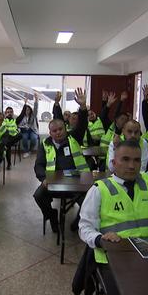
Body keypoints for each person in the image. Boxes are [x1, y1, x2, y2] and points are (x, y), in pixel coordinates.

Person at [78, 86, 148, 295]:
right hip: (115, 259)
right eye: (125, 160)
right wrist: (99, 238)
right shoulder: (100, 190)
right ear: (113, 162)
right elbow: (85, 227)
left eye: (136, 160)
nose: (131, 165)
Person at [34, 88, 88, 232]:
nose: (58, 132)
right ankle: (52, 216)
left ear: (65, 128)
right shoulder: (45, 144)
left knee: (89, 201)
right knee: (38, 196)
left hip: (77, 182)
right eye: (54, 130)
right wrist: (43, 179)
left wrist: (83, 107)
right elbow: (38, 165)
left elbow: (82, 124)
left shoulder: (74, 137)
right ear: (50, 132)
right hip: (54, 183)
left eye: (61, 129)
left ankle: (78, 222)